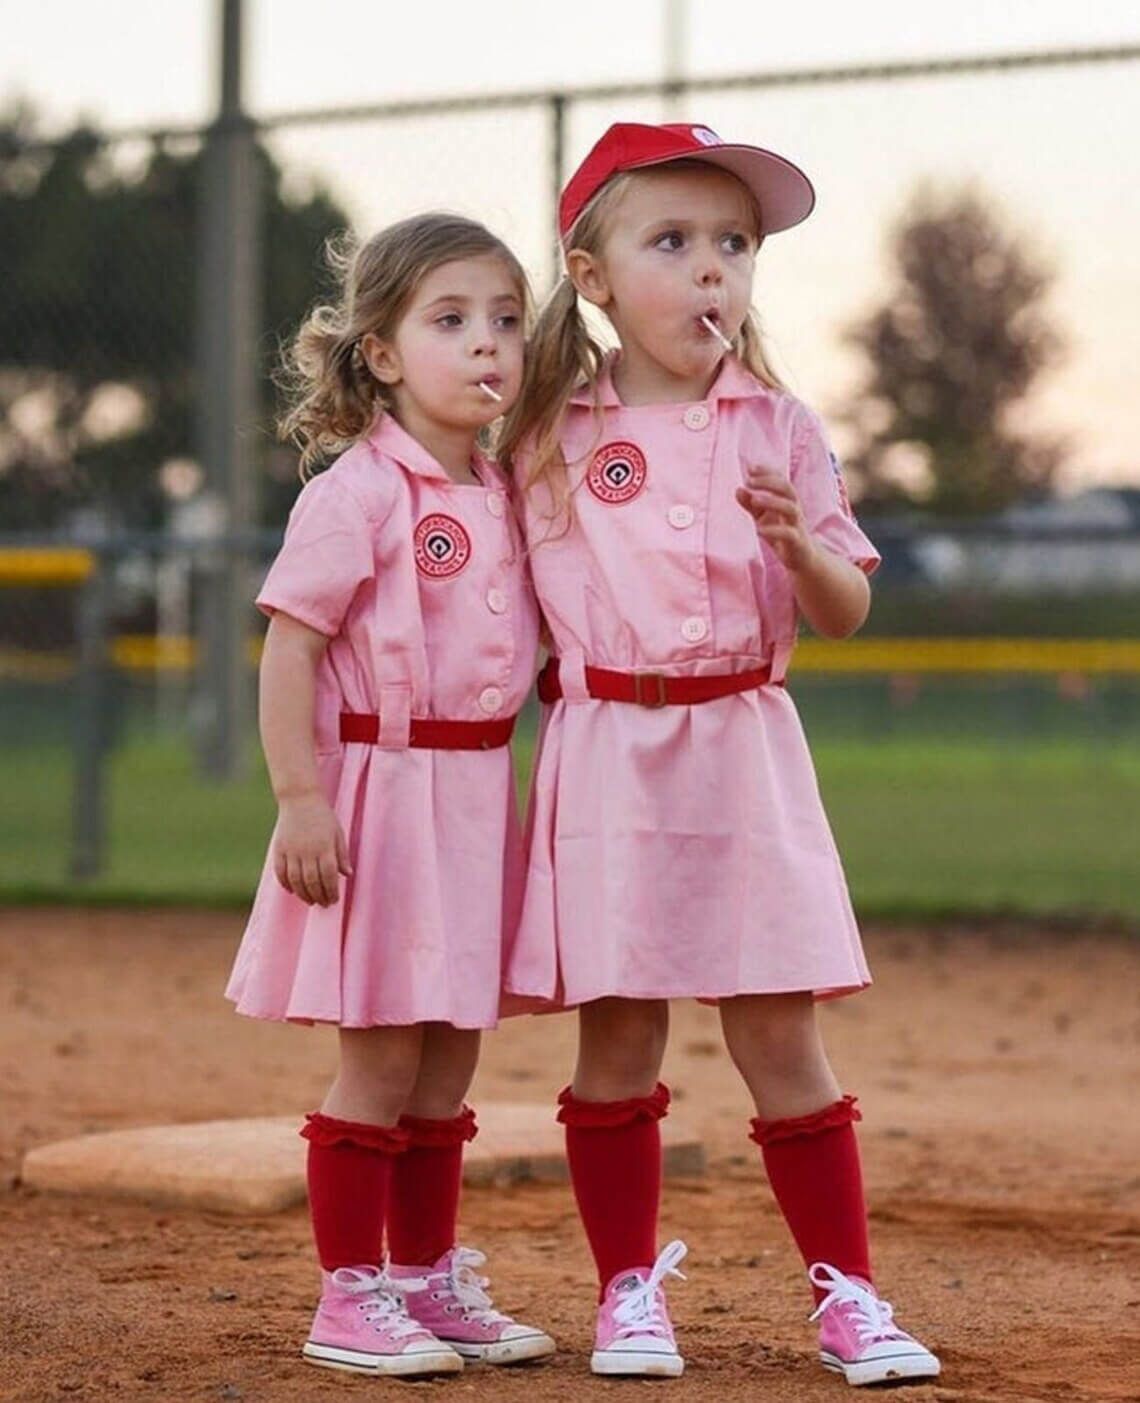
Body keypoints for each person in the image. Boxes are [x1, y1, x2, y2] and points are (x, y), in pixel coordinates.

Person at [498, 123, 940, 1387]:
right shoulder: (547, 432)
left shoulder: (782, 424)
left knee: (780, 1037)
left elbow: (847, 607)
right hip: (606, 755)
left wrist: (804, 547)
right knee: (620, 1040)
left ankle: (848, 1293)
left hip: (744, 749)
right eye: (674, 241)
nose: (713, 271)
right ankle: (628, 1293)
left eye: (734, 245)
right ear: (590, 278)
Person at [226, 213, 554, 1377]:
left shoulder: (514, 486)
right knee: (381, 1058)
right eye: (451, 319)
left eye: (508, 321)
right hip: (379, 794)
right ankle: (348, 1294)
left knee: (454, 1051)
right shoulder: (356, 493)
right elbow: (290, 649)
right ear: (378, 351)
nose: (488, 346)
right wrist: (298, 797)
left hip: (478, 793)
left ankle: (423, 1276)